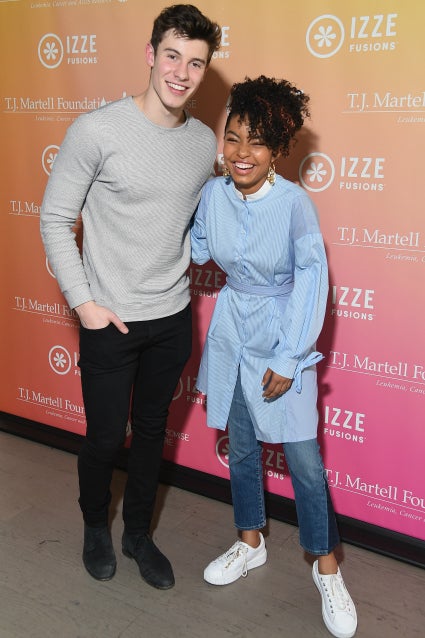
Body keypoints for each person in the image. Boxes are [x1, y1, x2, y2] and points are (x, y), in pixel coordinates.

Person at [40, 4, 221, 589]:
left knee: (150, 434)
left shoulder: (203, 144)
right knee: (103, 436)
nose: (181, 73)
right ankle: (96, 524)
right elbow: (54, 219)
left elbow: (189, 222)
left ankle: (138, 533)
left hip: (172, 319)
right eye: (172, 55)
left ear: (205, 70)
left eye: (196, 63)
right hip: (109, 319)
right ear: (150, 54)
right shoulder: (97, 130)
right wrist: (84, 304)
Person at [191, 76, 358, 638]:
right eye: (233, 137)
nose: (242, 153)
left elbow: (312, 280)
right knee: (241, 448)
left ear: (278, 149)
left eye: (257, 142)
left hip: (284, 336)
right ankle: (250, 541)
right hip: (232, 332)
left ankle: (326, 567)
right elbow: (195, 247)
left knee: (305, 462)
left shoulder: (293, 205)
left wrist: (289, 359)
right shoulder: (213, 195)